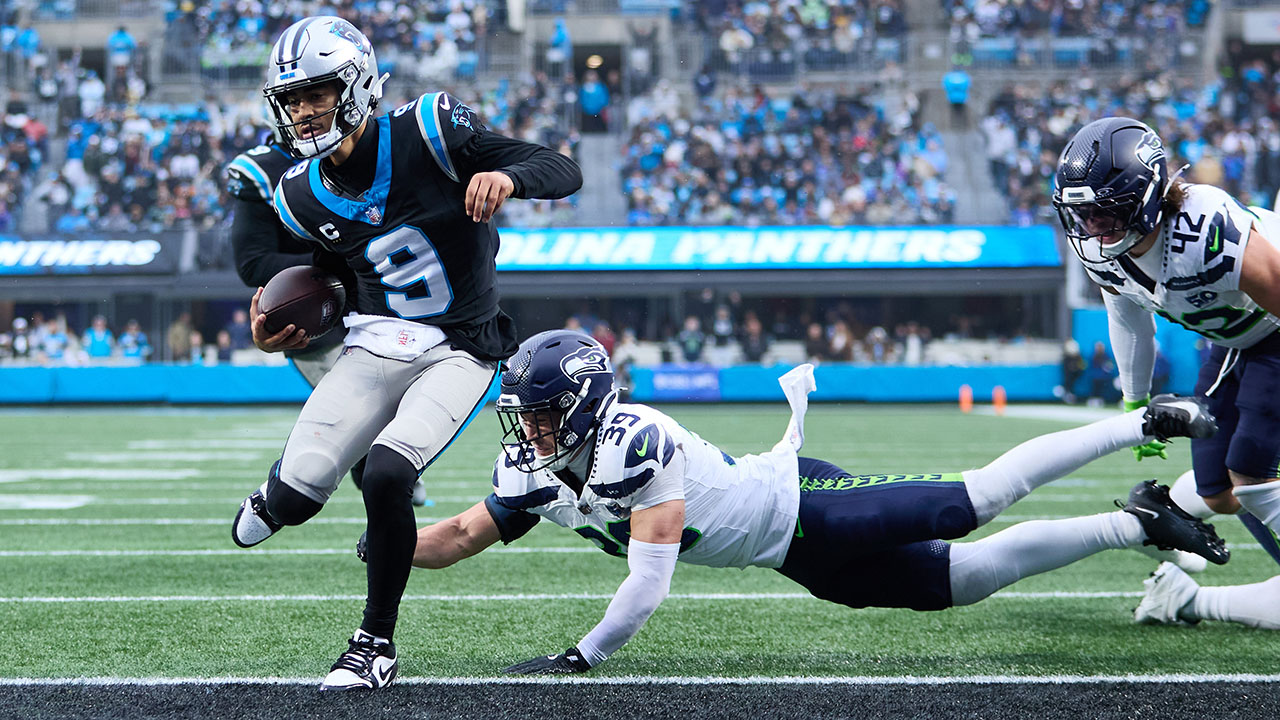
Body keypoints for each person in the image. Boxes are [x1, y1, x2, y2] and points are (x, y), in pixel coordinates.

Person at [361, 330, 1227, 675]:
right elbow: (462, 533)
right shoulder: (538, 467)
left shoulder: (634, 441)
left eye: (544, 416)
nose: (531, 433)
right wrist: (393, 543)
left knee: (969, 503)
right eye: (526, 418)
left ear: (586, 405)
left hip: (804, 502)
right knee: (960, 581)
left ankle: (1141, 421)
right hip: (790, 555)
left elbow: (647, 583)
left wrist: (579, 658)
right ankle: (1135, 521)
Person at [232, 16, 581, 691]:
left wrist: (508, 178)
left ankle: (373, 646)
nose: (304, 112)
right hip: (376, 341)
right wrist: (277, 329)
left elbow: (561, 168)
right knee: (302, 495)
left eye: (317, 93)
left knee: (389, 474)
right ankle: (279, 495)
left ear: (358, 85)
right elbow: (336, 279)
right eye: (292, 100)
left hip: (461, 347)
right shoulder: (298, 194)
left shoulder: (430, 131)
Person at [1052, 117, 1280, 569]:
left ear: (1147, 196)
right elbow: (1129, 323)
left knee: (1250, 474)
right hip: (1233, 340)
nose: (1094, 226)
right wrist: (1135, 403)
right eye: (1084, 214)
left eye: (1106, 211)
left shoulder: (1206, 228)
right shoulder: (1102, 253)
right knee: (1218, 491)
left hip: (1273, 330)